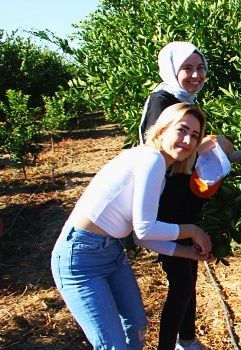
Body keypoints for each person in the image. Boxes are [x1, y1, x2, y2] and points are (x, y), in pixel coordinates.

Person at [51, 103, 212, 349]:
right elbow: (146, 228)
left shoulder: (156, 164)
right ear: (162, 129)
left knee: (136, 327)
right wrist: (192, 230)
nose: (188, 140)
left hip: (111, 252)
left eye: (194, 135)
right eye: (182, 130)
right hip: (80, 258)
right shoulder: (152, 160)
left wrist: (187, 252)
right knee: (113, 344)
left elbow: (140, 237)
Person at [136, 41, 241, 350]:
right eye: (187, 68)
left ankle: (187, 341)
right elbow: (160, 152)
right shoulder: (161, 100)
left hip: (184, 206)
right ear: (171, 68)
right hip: (165, 207)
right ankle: (172, 346)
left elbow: (196, 159)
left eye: (200, 67)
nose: (195, 74)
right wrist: (207, 144)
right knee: (180, 284)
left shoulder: (185, 100)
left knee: (187, 279)